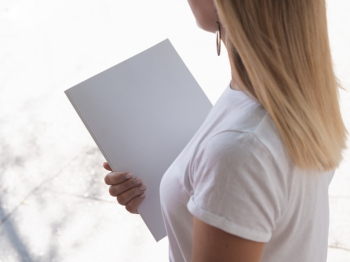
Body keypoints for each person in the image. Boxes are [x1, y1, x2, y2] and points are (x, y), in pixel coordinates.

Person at [103, 0, 348, 261]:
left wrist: (211, 182)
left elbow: (238, 169)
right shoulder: (291, 95)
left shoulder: (241, 151)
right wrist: (176, 190)